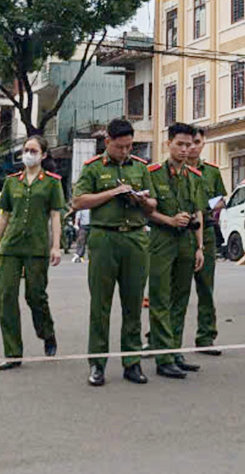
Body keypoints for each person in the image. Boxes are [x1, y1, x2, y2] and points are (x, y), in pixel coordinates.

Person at [71, 118, 157, 387]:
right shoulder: (94, 168)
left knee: (133, 304)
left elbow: (153, 205)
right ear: (107, 142)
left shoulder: (141, 168)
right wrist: (113, 192)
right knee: (101, 305)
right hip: (104, 238)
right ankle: (97, 364)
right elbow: (79, 200)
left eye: (129, 146)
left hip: (134, 239)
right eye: (120, 147)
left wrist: (141, 200)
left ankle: (132, 363)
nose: (125, 151)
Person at [0, 135, 64, 370]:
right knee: (7, 298)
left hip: (37, 247)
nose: (28, 154)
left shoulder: (52, 182)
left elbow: (55, 216)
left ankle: (47, 332)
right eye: (25, 150)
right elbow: (4, 216)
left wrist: (56, 246)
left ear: (43, 154)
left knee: (36, 296)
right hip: (10, 247)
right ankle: (12, 353)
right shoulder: (11, 182)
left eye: (33, 150)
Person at [146, 122, 206, 379]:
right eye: (179, 144)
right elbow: (146, 209)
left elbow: (198, 212)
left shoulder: (193, 176)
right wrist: (169, 220)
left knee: (181, 299)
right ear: (168, 143)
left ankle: (175, 351)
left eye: (189, 144)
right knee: (160, 299)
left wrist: (200, 246)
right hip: (162, 240)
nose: (185, 149)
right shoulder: (153, 173)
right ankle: (163, 357)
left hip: (187, 243)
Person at [188, 126, 226, 355]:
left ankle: (205, 337)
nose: (192, 147)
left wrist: (206, 207)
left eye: (197, 142)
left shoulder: (211, 171)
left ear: (204, 143)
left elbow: (221, 198)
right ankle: (161, 339)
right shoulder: (171, 170)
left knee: (205, 288)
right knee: (170, 290)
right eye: (188, 142)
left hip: (207, 232)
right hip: (180, 232)